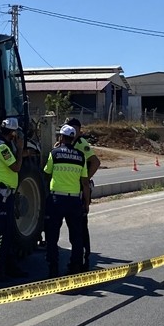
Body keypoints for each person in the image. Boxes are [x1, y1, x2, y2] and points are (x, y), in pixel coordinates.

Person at [43, 124, 90, 277]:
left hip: (56, 199)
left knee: (52, 236)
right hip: (74, 201)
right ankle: (75, 266)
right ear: (73, 138)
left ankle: (53, 268)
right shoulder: (80, 156)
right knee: (76, 236)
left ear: (61, 138)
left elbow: (47, 173)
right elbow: (85, 183)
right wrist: (86, 202)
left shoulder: (54, 154)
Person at [0, 117, 26, 280]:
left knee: (8, 233)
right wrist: (20, 150)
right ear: (12, 133)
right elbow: (16, 167)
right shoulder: (1, 147)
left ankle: (9, 266)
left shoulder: (2, 144)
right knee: (0, 234)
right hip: (0, 196)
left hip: (5, 195)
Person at [66, 117, 101, 269]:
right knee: (74, 227)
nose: (73, 132)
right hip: (69, 191)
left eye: (75, 129)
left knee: (81, 227)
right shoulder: (67, 144)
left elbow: (95, 162)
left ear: (79, 131)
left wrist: (84, 179)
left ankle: (85, 258)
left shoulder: (81, 144)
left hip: (81, 191)